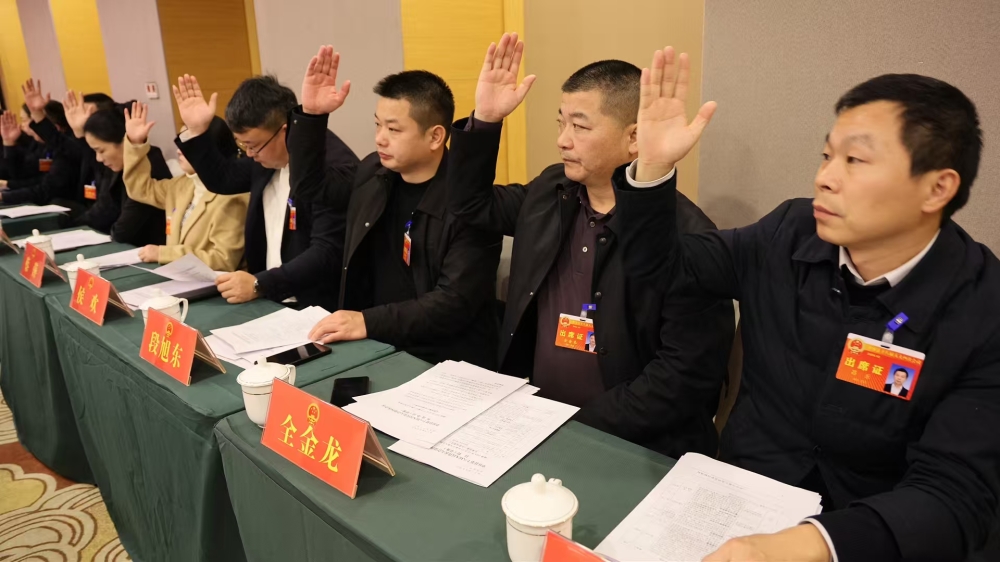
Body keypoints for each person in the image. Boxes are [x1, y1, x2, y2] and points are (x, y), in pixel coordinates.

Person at [614, 46, 1000, 562]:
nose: (825, 177)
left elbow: (954, 494)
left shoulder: (984, 308)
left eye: (855, 160)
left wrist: (812, 543)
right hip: (739, 499)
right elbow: (665, 271)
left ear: (937, 188)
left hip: (870, 537)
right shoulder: (789, 232)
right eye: (826, 156)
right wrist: (653, 170)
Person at [446, 34, 735, 457]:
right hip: (532, 423)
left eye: (580, 126)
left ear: (635, 138)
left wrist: (576, 426)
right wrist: (486, 121)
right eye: (560, 123)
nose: (563, 140)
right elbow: (470, 207)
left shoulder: (686, 234)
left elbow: (684, 375)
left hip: (631, 447)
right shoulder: (552, 190)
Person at [289, 46, 501, 368]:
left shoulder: (472, 203)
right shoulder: (374, 173)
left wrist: (367, 321)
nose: (380, 139)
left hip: (442, 359)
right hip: (374, 343)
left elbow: (452, 303)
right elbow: (309, 187)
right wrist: (312, 116)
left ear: (435, 137)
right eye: (378, 125)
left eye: (393, 129)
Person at [172, 74, 358, 308]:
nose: (249, 154)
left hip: (316, 304)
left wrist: (260, 284)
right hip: (272, 296)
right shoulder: (267, 155)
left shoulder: (333, 168)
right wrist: (197, 131)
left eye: (252, 145)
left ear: (284, 131)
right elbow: (224, 179)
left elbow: (326, 251)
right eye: (243, 145)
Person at [122, 102, 248, 271]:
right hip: (179, 277)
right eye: (180, 141)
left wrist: (165, 254)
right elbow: (140, 189)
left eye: (188, 143)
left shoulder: (232, 194)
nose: (180, 150)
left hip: (213, 283)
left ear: (211, 148)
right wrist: (136, 144)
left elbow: (223, 260)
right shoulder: (182, 184)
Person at [64, 92, 170, 246]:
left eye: (101, 151)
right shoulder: (116, 164)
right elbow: (104, 208)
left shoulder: (149, 164)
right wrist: (80, 133)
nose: (98, 159)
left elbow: (122, 232)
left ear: (124, 142)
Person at [1, 100, 84, 209]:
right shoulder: (40, 145)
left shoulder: (68, 150)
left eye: (26, 120)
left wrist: (5, 194)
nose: (23, 126)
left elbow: (47, 189)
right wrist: (9, 143)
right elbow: (22, 173)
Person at [0, 106, 46, 190]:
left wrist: (8, 184)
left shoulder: (45, 147)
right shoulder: (36, 143)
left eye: (24, 120)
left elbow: (43, 179)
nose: (21, 125)